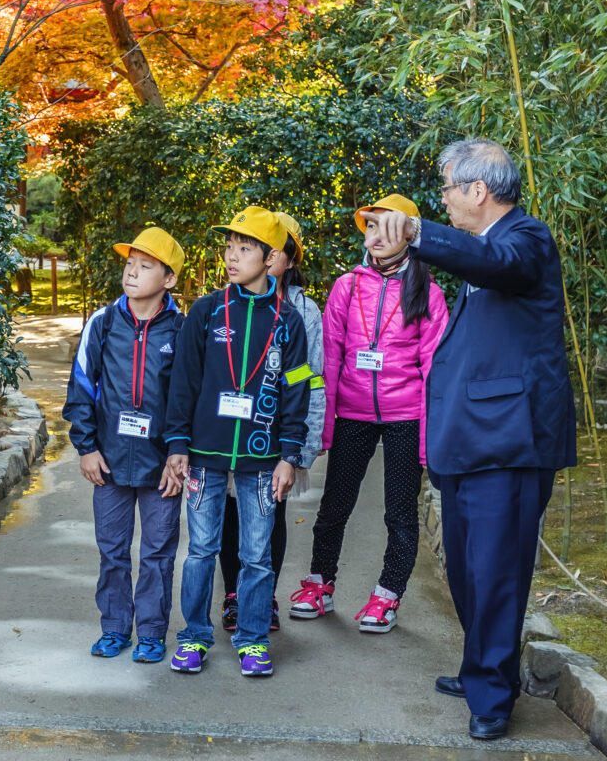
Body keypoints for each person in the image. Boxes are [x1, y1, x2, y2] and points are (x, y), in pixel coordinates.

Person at [359, 140, 577, 740]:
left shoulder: (525, 240)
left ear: (479, 191)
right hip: (469, 438)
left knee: (496, 569)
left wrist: (418, 232)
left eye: (451, 189)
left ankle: (492, 697)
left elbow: (499, 267)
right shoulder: (485, 250)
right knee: (467, 569)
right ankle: (487, 668)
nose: (447, 200)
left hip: (510, 441)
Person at [161, 206, 312, 677]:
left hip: (264, 460)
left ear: (271, 258)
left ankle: (251, 639)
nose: (231, 256)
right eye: (228, 247)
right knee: (201, 551)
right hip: (204, 457)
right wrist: (177, 445)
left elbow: (298, 388)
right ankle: (194, 637)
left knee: (256, 555)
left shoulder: (290, 321)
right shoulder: (206, 312)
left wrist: (290, 454)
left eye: (244, 248)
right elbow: (182, 383)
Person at [289, 194, 448, 634]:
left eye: (388, 227)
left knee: (399, 511)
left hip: (405, 415)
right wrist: (324, 426)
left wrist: (426, 439)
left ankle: (387, 594)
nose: (377, 236)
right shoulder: (347, 286)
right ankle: (320, 582)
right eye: (371, 227)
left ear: (411, 235)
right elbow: (332, 360)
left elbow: (433, 367)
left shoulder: (428, 293)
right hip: (354, 412)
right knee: (335, 503)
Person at [62, 227, 187, 664]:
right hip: (109, 461)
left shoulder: (182, 330)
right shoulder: (103, 322)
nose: (132, 272)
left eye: (145, 266)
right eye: (129, 264)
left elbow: (185, 400)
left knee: (157, 553)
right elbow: (80, 387)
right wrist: (86, 447)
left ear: (169, 279)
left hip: (161, 468)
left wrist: (178, 453)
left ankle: (152, 633)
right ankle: (115, 628)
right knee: (112, 550)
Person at [218, 213, 324, 634]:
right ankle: (232, 595)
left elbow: (312, 379)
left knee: (269, 513)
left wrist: (301, 447)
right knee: (229, 513)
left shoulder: (303, 311)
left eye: (274, 247)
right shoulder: (224, 304)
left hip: (276, 437)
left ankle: (263, 597)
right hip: (232, 434)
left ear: (287, 258)